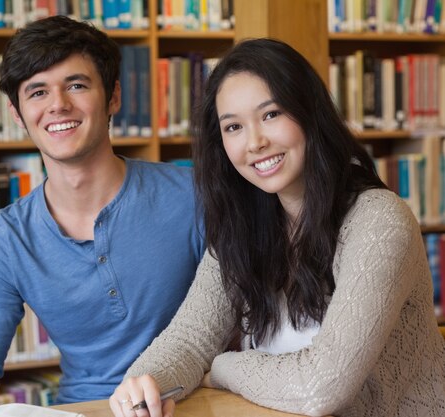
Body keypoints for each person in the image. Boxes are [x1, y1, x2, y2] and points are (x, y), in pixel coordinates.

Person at [110, 38, 445, 417]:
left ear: (309, 113)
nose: (255, 142)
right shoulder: (244, 226)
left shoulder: (379, 221)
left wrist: (221, 367)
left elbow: (322, 387)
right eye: (233, 127)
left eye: (271, 115)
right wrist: (144, 382)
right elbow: (189, 339)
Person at [0, 15, 205, 414]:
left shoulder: (194, 197)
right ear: (16, 113)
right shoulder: (9, 239)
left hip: (191, 403)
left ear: (113, 96)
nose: (58, 105)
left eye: (76, 85)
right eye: (37, 92)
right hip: (83, 411)